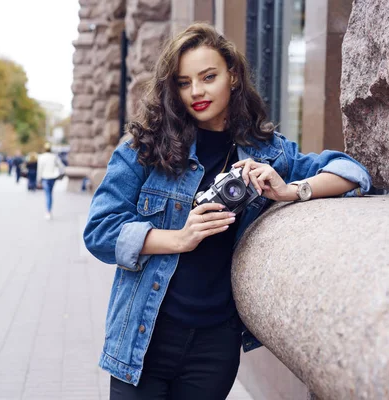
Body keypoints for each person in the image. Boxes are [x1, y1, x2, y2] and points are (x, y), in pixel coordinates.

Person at [83, 23, 372, 400]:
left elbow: (353, 173)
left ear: (232, 76)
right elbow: (99, 231)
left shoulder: (267, 152)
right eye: (184, 82)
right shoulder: (145, 149)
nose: (197, 92)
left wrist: (290, 190)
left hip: (214, 346)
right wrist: (178, 238)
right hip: (144, 338)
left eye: (208, 77)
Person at [37, 142, 65, 220]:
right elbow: (61, 166)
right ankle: (49, 210)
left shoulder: (41, 157)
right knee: (50, 194)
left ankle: (48, 211)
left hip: (45, 178)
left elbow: (40, 169)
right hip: (53, 178)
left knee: (47, 194)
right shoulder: (54, 157)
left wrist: (38, 179)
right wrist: (59, 174)